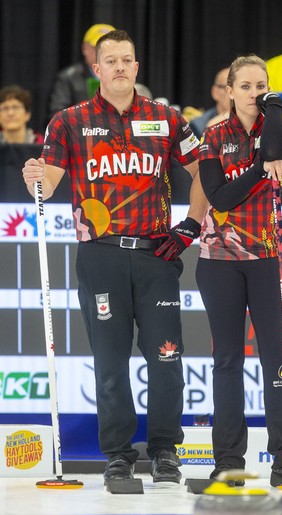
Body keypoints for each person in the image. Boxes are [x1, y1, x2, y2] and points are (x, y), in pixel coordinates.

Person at [23, 29, 207, 488]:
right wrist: (34, 177)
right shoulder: (69, 121)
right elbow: (47, 182)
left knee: (166, 357)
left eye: (128, 59)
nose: (121, 66)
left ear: (137, 68)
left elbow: (204, 171)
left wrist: (191, 225)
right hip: (100, 255)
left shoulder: (166, 119)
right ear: (97, 69)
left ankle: (166, 451)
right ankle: (119, 456)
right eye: (112, 60)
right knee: (109, 362)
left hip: (156, 255)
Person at [196, 54, 282, 487]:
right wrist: (261, 172)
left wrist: (275, 109)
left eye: (260, 86)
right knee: (226, 361)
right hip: (219, 262)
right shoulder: (211, 135)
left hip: (267, 260)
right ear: (228, 91)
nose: (253, 93)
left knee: (277, 363)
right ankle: (229, 462)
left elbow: (274, 149)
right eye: (244, 86)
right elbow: (221, 200)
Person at [48, 23, 151, 117]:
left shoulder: (124, 74)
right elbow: (57, 113)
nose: (103, 52)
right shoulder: (68, 77)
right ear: (85, 49)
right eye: (97, 47)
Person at [189, 67, 230, 138]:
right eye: (227, 88)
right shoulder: (198, 126)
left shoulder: (252, 122)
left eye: (242, 87)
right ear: (215, 92)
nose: (233, 94)